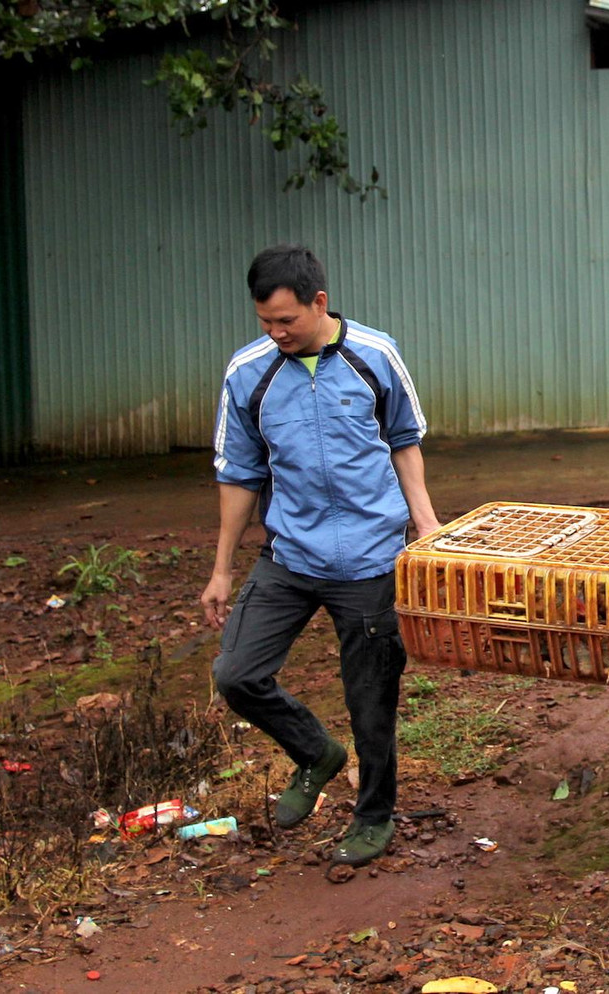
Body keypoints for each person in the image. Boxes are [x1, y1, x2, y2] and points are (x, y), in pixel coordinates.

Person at [200, 244, 440, 867]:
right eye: (265, 323)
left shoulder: (374, 356)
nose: (276, 334)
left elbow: (403, 442)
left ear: (320, 303)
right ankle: (315, 753)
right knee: (237, 674)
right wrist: (223, 567)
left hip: (371, 559)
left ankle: (374, 816)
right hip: (290, 555)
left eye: (288, 321)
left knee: (371, 701)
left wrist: (427, 525)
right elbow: (239, 474)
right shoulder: (248, 372)